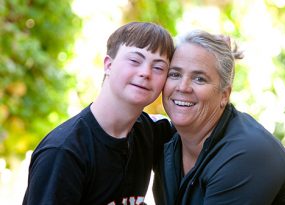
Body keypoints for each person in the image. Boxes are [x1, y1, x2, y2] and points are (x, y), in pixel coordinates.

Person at [153, 30, 285, 204]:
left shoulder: (246, 153)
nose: (183, 87)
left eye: (200, 79)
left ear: (224, 95)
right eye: (175, 74)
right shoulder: (167, 138)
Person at [23, 22, 174, 205]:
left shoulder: (151, 132)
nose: (145, 73)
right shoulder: (64, 152)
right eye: (135, 60)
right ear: (108, 65)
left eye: (158, 67)